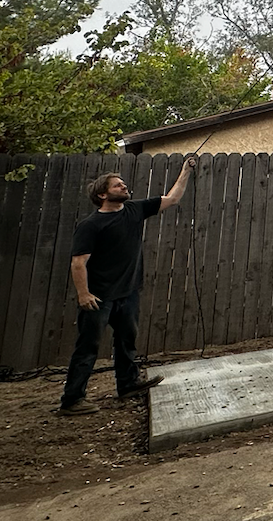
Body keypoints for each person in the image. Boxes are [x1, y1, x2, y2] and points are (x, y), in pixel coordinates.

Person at [57, 157, 197, 415]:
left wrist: (186, 170)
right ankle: (72, 400)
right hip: (99, 296)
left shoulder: (134, 209)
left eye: (123, 184)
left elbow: (172, 198)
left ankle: (128, 384)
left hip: (128, 292)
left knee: (126, 341)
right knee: (88, 347)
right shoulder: (91, 225)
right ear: (102, 195)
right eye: (117, 185)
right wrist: (83, 294)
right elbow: (78, 263)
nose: (123, 187)